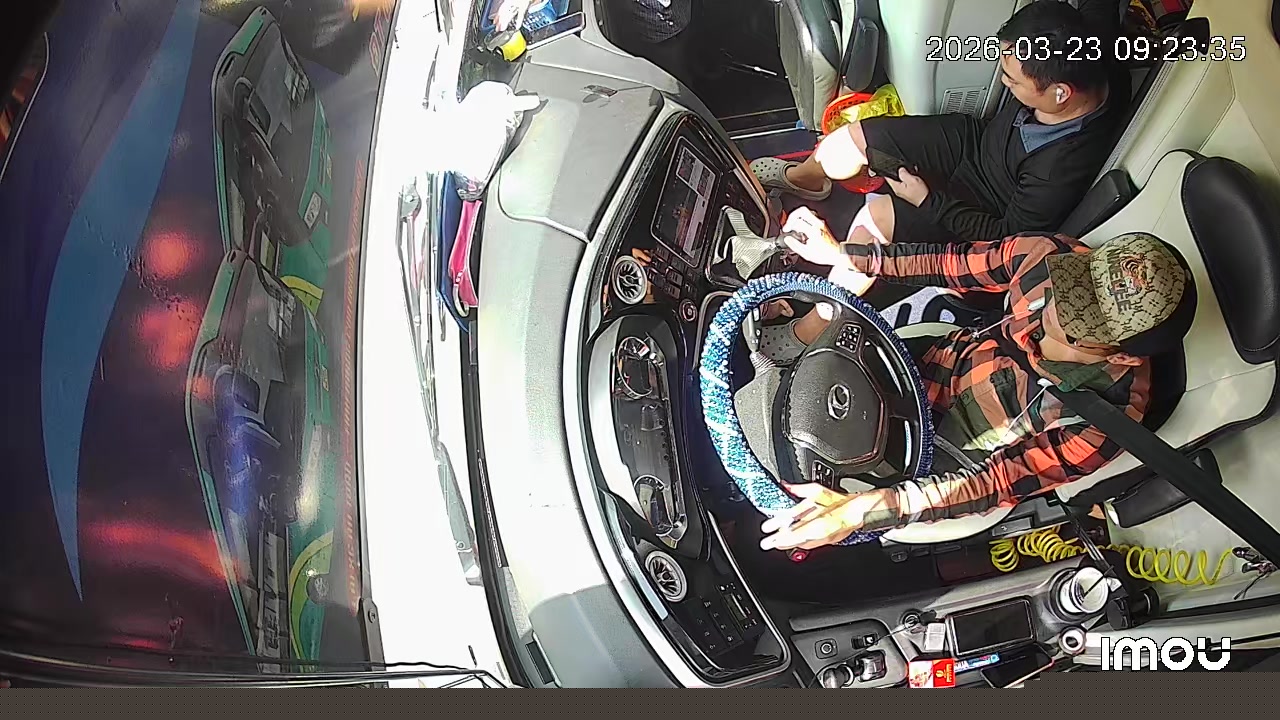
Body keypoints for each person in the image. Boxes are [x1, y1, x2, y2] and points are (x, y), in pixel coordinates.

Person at [757, 208, 1196, 551]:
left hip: (947, 462)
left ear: (1121, 356)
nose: (1053, 309)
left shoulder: (1107, 420)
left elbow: (996, 482)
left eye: (1079, 324)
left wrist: (863, 511)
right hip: (927, 364)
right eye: (1072, 288)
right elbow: (951, 263)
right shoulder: (1048, 256)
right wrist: (844, 254)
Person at [751, 0, 1128, 247]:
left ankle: (810, 329)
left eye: (1013, 81)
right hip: (974, 142)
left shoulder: (1059, 170)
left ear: (1060, 94)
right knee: (844, 143)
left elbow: (1006, 235)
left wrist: (927, 201)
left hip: (985, 205)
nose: (1003, 81)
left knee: (870, 225)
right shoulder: (1090, 38)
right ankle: (805, 179)